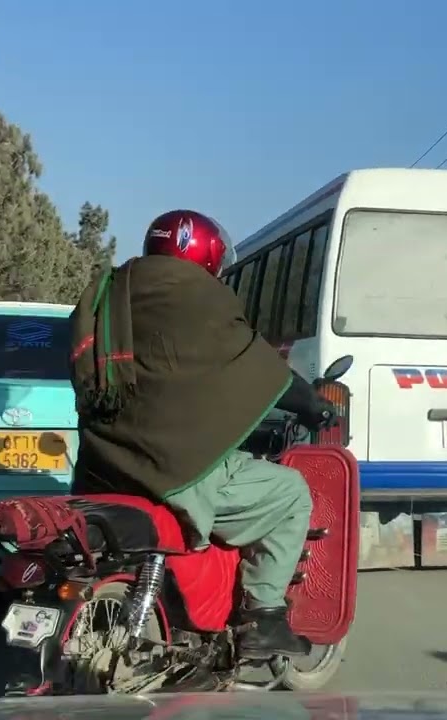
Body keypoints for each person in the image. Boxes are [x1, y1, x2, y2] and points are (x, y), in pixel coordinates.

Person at [69, 209, 335, 659]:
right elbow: (253, 365)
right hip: (171, 471)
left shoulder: (112, 290)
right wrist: (313, 405)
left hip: (102, 469)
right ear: (209, 254)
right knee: (290, 491)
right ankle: (264, 616)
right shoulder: (199, 297)